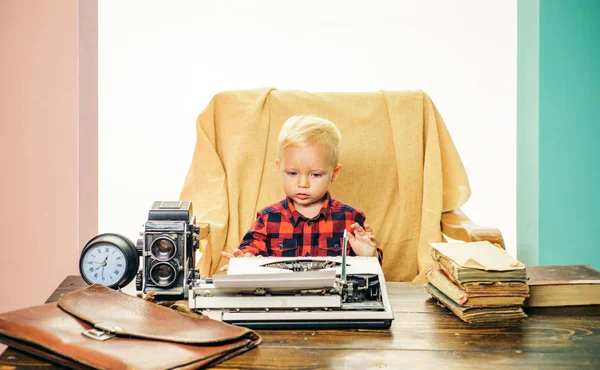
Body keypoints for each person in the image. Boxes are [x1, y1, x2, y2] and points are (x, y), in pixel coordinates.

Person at [220, 115, 382, 271]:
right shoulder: (268, 218)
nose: (303, 184)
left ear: (334, 172)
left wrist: (369, 256)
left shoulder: (350, 219)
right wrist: (244, 262)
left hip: (333, 298)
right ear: (280, 168)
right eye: (292, 173)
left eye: (315, 175)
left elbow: (368, 275)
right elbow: (251, 250)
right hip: (282, 298)